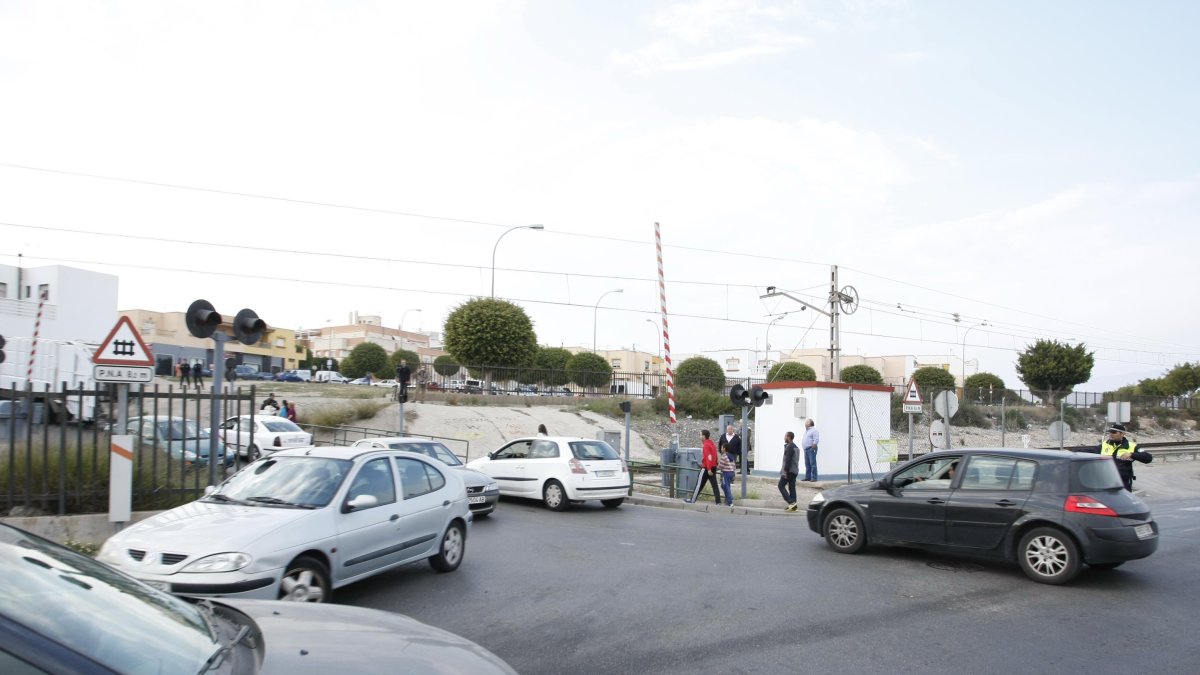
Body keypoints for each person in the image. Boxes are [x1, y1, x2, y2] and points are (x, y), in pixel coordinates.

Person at [1087, 423, 1152, 491]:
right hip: (1105, 484)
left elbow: (1148, 458)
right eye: (1110, 432)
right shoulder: (1104, 445)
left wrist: (1132, 454)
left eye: (1114, 432)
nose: (1111, 434)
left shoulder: (1131, 446)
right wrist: (1075, 451)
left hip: (1123, 485)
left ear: (1122, 434)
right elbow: (1090, 451)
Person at [689, 430, 721, 505]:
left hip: (706, 468)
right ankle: (718, 501)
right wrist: (716, 464)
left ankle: (692, 500)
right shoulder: (712, 443)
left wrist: (709, 469)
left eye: (700, 435)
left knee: (699, 484)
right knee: (714, 485)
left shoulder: (706, 445)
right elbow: (715, 455)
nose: (699, 436)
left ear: (704, 436)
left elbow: (708, 457)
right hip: (713, 466)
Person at [779, 431, 799, 511]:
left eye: (785, 436)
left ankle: (791, 502)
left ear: (788, 437)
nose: (784, 438)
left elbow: (788, 460)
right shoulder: (796, 447)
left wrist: (786, 471)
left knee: (780, 486)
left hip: (789, 471)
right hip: (794, 471)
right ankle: (794, 506)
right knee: (792, 488)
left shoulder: (790, 447)